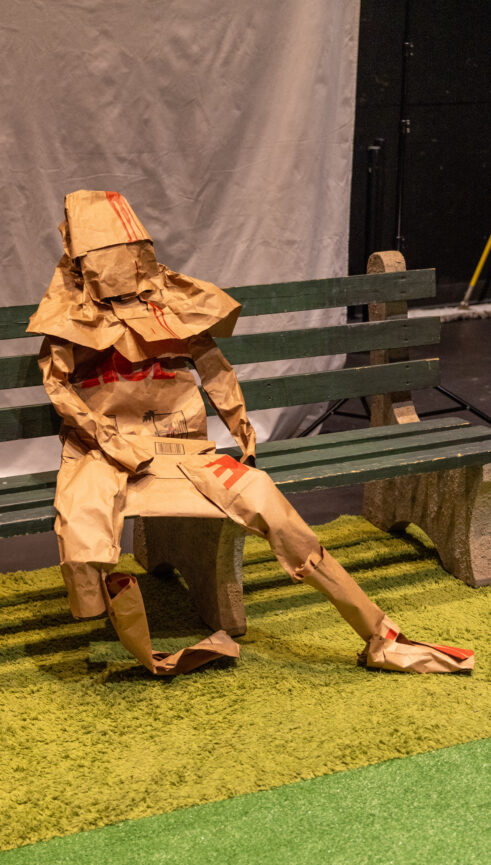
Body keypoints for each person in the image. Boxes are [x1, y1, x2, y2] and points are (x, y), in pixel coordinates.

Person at [27, 189, 473, 677]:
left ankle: (379, 634)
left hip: (185, 450)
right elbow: (60, 388)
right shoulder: (70, 318)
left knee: (270, 503)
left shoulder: (170, 306)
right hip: (103, 454)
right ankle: (138, 644)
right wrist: (108, 440)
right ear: (80, 262)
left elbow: (214, 369)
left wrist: (243, 432)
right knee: (85, 538)